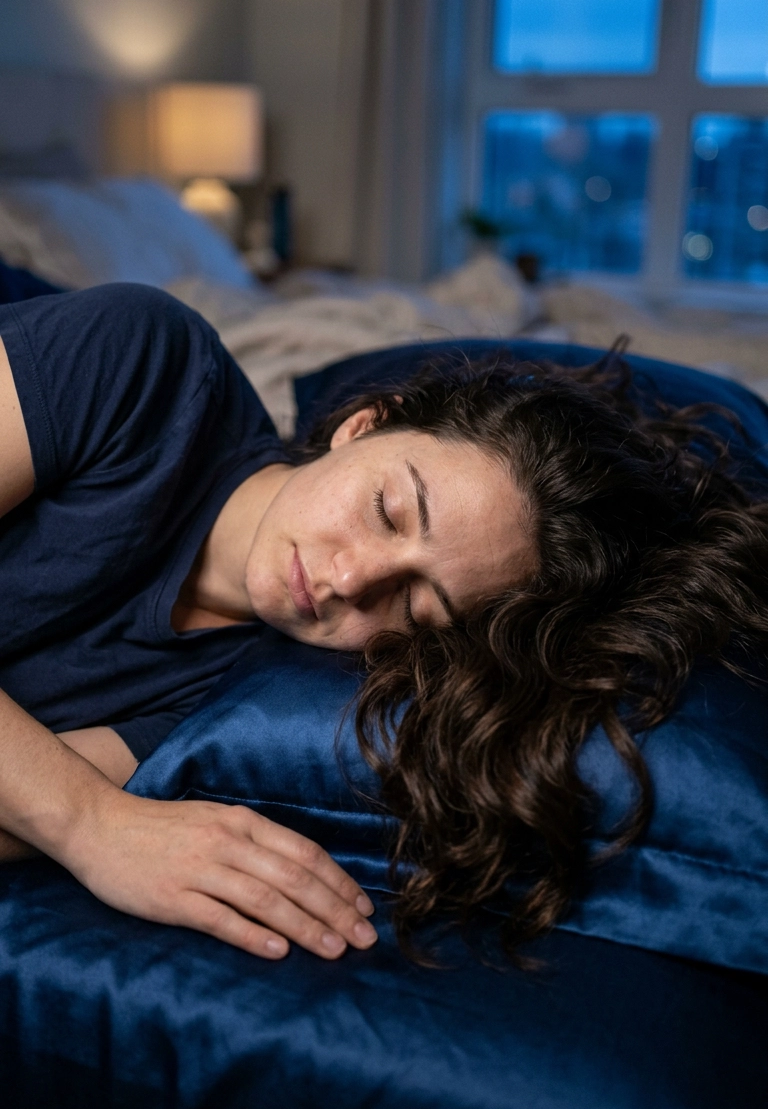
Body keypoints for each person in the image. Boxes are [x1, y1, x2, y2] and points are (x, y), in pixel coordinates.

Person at [1, 285, 767, 962]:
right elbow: (51, 806)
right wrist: (93, 823)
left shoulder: (240, 697)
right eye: (388, 510)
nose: (347, 580)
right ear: (365, 425)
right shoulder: (144, 362)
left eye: (414, 602)